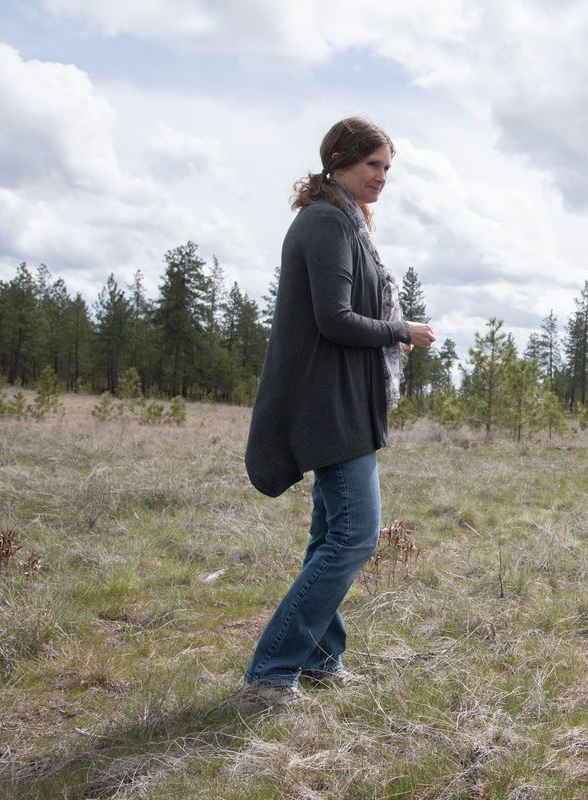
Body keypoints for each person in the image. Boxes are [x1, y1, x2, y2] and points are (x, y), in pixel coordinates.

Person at [242, 117, 434, 706]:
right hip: (330, 406)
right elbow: (336, 319)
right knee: (353, 537)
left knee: (329, 533)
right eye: (372, 165)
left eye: (387, 168)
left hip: (342, 400)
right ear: (340, 161)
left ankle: (321, 658)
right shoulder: (327, 222)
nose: (381, 177)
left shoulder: (339, 219)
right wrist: (403, 330)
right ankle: (273, 669)